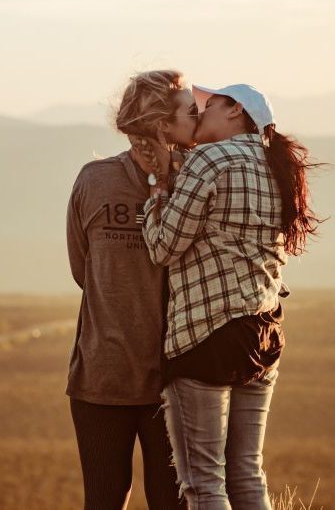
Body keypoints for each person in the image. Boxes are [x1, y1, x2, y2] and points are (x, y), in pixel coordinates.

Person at [131, 83, 321, 510]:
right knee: (248, 474)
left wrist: (157, 197)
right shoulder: (276, 164)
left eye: (209, 106)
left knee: (204, 482)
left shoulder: (209, 159)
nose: (200, 115)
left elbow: (163, 247)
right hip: (264, 330)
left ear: (236, 111)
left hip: (206, 333)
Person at [65, 70, 197, 510]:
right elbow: (83, 271)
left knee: (172, 502)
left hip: (175, 380)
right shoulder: (95, 180)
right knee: (103, 499)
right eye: (189, 110)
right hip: (102, 377)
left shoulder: (196, 182)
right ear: (162, 123)